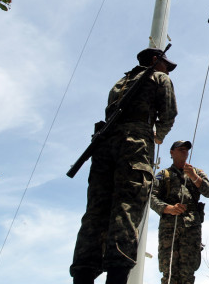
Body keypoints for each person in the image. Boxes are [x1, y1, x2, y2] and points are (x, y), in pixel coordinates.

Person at [70, 48, 178, 284]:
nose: (167, 69)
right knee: (127, 207)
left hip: (104, 144)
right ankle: (117, 277)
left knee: (95, 213)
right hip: (135, 144)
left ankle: (83, 275)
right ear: (154, 61)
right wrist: (158, 135)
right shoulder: (159, 77)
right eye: (165, 65)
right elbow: (169, 112)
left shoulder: (120, 83)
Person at [150, 140, 209, 284]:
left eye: (186, 149)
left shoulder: (196, 172)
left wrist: (194, 178)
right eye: (181, 149)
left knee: (188, 271)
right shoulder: (163, 174)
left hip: (191, 226)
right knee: (169, 270)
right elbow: (151, 198)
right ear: (172, 153)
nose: (184, 151)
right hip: (169, 227)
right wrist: (168, 208)